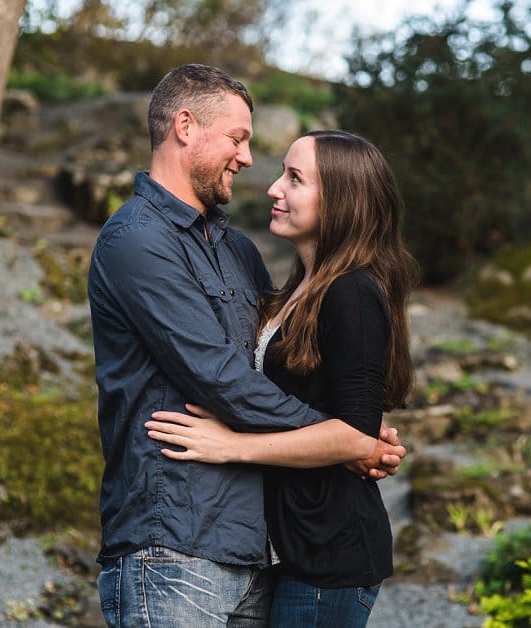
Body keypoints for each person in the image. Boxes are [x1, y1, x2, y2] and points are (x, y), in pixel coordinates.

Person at [88, 65, 405, 628]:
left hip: (254, 549)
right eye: (238, 138)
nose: (249, 159)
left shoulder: (239, 250)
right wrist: (344, 438)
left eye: (291, 175)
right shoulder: (137, 239)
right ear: (185, 126)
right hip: (173, 543)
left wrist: (346, 431)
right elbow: (220, 379)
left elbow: (280, 375)